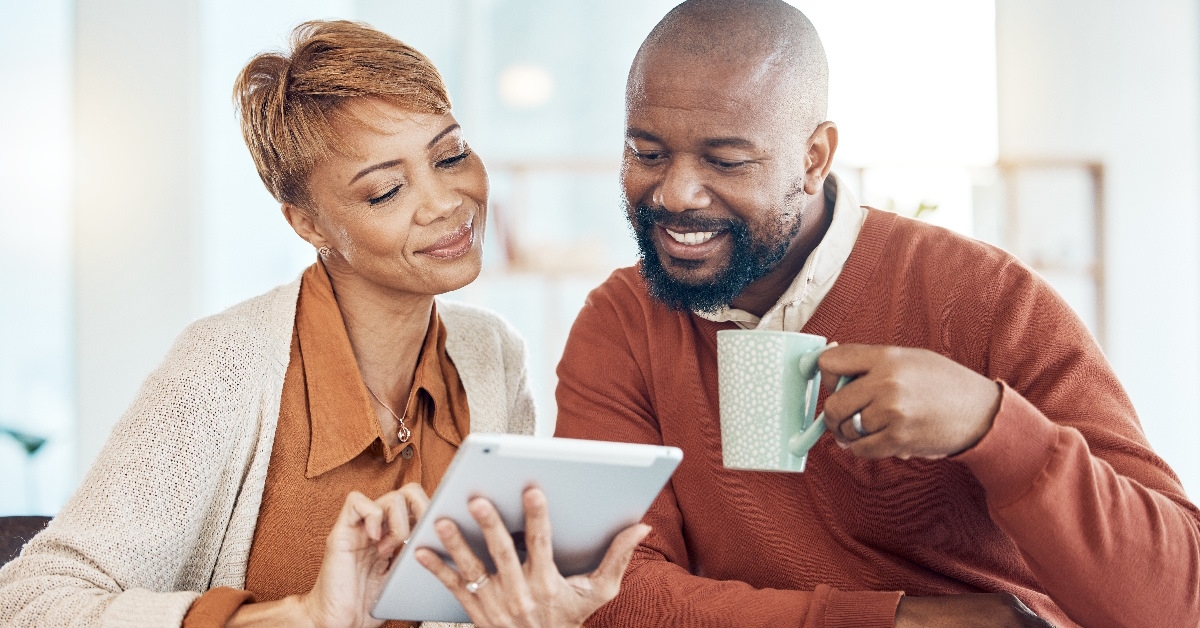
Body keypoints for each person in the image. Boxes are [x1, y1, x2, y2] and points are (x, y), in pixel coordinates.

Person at [553, 1, 1200, 626]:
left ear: (814, 158)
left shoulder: (986, 298)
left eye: (725, 161)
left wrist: (990, 425)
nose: (675, 194)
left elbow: (1177, 603)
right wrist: (894, 621)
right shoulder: (623, 322)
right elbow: (603, 592)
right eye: (647, 153)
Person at [0, 20, 647, 628]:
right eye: (385, 191)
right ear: (308, 223)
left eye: (450, 156)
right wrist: (300, 617)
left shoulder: (491, 354)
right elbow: (30, 602)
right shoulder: (223, 367)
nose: (445, 203)